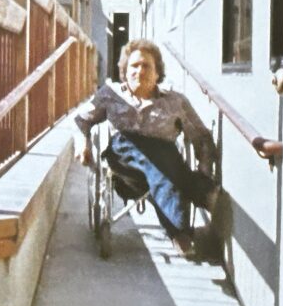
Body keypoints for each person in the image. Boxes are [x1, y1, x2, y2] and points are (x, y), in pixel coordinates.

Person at [73, 39, 219, 251]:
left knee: (164, 153)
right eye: (134, 66)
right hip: (124, 167)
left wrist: (205, 170)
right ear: (124, 71)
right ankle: (196, 200)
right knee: (143, 147)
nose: (139, 71)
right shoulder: (110, 95)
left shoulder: (175, 102)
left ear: (158, 73)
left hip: (167, 164)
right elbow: (81, 120)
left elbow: (201, 137)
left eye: (146, 66)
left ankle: (183, 222)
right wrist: (82, 144)